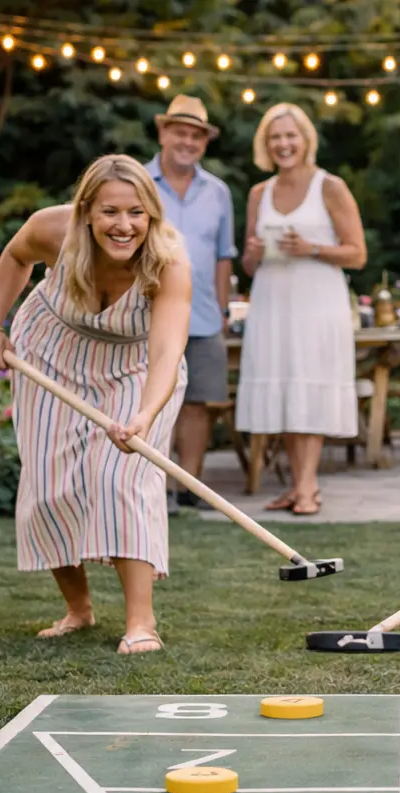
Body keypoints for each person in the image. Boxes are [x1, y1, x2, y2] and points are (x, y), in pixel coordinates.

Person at [0, 153, 192, 654]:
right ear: (86, 211)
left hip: (134, 367)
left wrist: (142, 414)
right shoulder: (51, 229)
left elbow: (165, 351)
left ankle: (141, 623)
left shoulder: (169, 259)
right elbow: (15, 258)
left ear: (152, 215)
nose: (124, 225)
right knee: (50, 486)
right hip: (52, 355)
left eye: (136, 212)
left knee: (123, 480)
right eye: (110, 212)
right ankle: (79, 609)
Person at [235, 101, 367, 515]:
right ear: (266, 145)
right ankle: (298, 485)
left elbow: (358, 254)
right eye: (275, 137)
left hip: (317, 302)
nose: (284, 144)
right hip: (273, 302)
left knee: (310, 384)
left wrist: (310, 248)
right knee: (287, 388)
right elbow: (248, 265)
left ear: (306, 139)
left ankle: (308, 487)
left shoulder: (330, 186)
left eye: (291, 135)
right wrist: (254, 252)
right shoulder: (260, 193)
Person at [146, 94, 237, 511]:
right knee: (151, 397)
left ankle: (190, 485)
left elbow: (224, 256)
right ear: (163, 132)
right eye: (179, 132)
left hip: (202, 314)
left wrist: (221, 308)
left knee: (199, 402)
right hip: (147, 313)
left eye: (196, 136)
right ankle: (156, 485)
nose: (187, 141)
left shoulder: (217, 192)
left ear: (205, 142)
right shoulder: (139, 184)